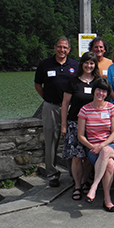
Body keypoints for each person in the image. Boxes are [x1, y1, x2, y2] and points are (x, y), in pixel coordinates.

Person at [34, 37, 78, 187]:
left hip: (71, 108)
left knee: (71, 140)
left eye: (65, 47)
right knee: (51, 140)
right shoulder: (45, 64)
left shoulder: (75, 66)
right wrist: (47, 98)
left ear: (69, 49)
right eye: (59, 47)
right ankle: (52, 174)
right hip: (52, 107)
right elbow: (38, 84)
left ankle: (74, 173)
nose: (62, 50)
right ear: (54, 47)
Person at [77, 78, 114, 212]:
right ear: (94, 90)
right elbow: (80, 136)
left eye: (104, 91)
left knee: (107, 151)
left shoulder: (112, 108)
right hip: (93, 149)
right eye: (99, 90)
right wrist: (92, 147)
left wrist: (101, 146)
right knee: (110, 164)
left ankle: (94, 187)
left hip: (112, 146)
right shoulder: (85, 110)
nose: (101, 93)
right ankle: (107, 199)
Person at [60, 51, 99, 200]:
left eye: (92, 63)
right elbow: (65, 104)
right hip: (74, 124)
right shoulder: (73, 81)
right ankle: (76, 185)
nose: (89, 66)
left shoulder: (98, 82)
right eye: (86, 62)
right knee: (76, 157)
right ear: (81, 64)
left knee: (89, 157)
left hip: (93, 125)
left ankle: (84, 182)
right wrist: (63, 125)